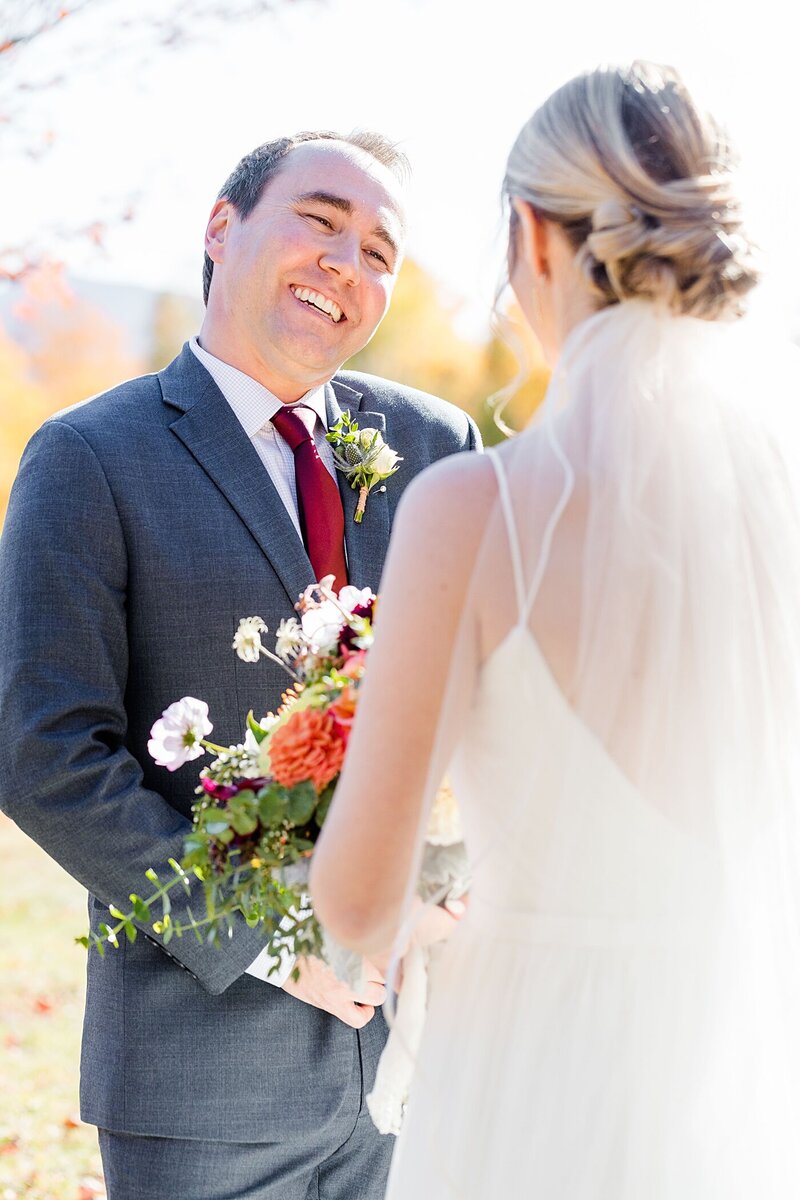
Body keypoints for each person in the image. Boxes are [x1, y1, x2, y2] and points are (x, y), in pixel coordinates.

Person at [311, 63, 800, 1197]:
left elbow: (357, 900)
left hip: (528, 1072)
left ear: (531, 235)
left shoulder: (475, 508)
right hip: (738, 1071)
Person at [0, 130, 480, 1199]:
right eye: (318, 222)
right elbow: (45, 758)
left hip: (433, 1059)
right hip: (204, 1083)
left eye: (377, 251)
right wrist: (273, 939)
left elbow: (492, 706)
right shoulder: (89, 457)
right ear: (221, 227)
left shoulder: (439, 453)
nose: (345, 263)